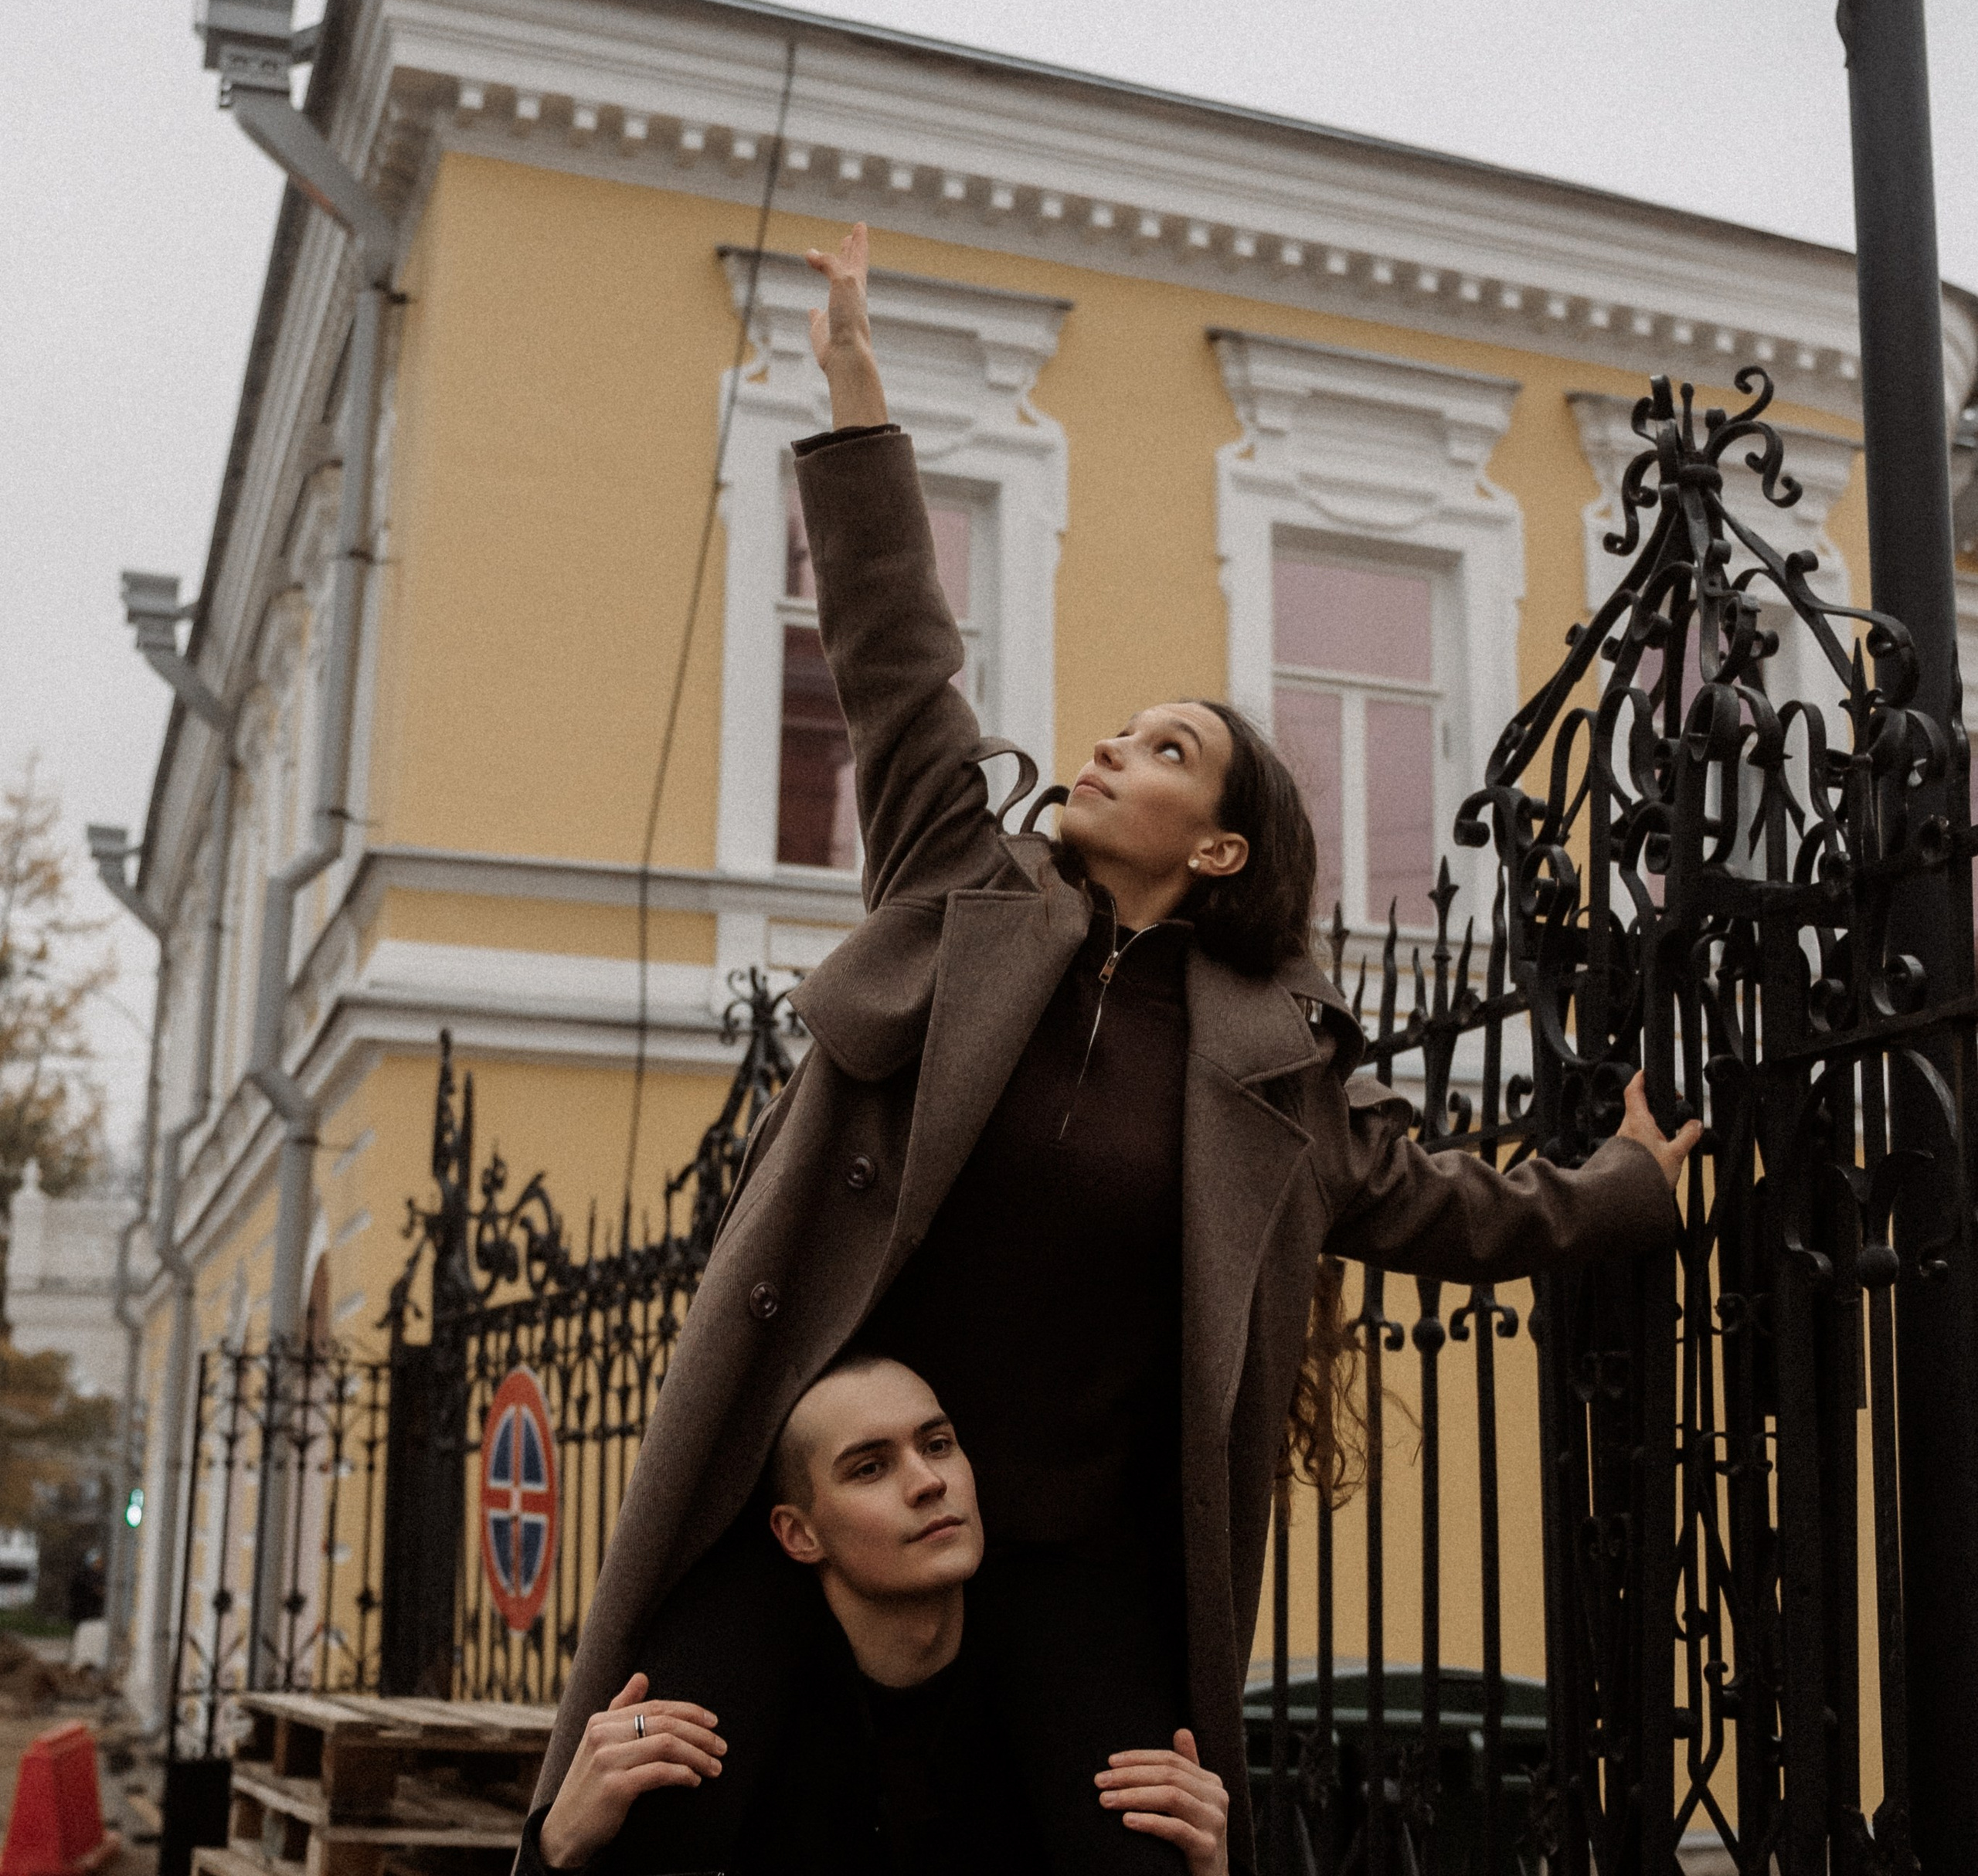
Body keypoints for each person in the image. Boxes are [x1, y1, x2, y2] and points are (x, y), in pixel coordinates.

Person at [534, 223, 1698, 1874]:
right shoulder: (963, 889)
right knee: (641, 1801)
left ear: (1218, 846)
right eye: (1122, 728)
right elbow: (894, 657)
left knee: (1149, 1848)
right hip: (842, 1499)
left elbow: (1452, 1210)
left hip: (1074, 1552)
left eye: (1162, 749)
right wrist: (856, 388)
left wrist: (1631, 1188)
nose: (1106, 745)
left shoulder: (1272, 1068)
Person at [529, 1351, 1230, 1874]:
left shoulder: (1057, 1684)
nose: (928, 1482)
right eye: (870, 1467)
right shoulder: (751, 1706)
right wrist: (558, 1847)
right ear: (799, 1534)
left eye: (938, 1444)